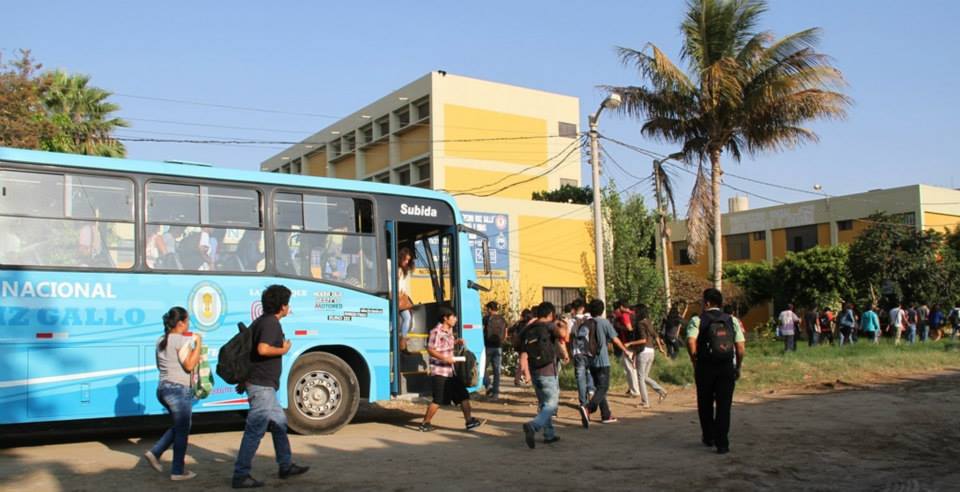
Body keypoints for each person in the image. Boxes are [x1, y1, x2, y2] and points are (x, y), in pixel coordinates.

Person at [232, 285, 309, 489]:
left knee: (280, 423)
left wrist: (244, 380)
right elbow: (262, 349)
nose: (288, 308)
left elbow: (251, 355)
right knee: (255, 430)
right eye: (287, 304)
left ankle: (285, 465)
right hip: (262, 386)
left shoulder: (261, 322)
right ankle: (241, 474)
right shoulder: (270, 324)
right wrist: (283, 349)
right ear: (282, 306)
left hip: (261, 384)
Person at [144, 307, 203, 481]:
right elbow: (189, 366)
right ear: (180, 323)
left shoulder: (161, 340)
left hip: (162, 389)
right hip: (178, 390)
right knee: (182, 431)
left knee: (179, 427)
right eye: (187, 321)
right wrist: (198, 343)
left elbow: (160, 365)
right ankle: (177, 471)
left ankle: (156, 453)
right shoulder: (179, 340)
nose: (189, 324)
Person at [686, 288, 746, 455]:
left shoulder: (698, 320)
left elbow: (691, 341)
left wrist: (694, 360)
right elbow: (740, 347)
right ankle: (723, 443)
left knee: (705, 404)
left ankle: (709, 437)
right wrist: (738, 366)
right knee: (724, 406)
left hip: (705, 367)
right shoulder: (731, 320)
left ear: (706, 303)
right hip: (726, 367)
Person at [418, 306, 485, 433]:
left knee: (463, 395)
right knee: (438, 399)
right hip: (440, 371)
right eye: (453, 317)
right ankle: (425, 423)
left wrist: (456, 342)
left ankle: (469, 421)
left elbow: (444, 346)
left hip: (451, 371)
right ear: (445, 318)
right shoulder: (436, 332)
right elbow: (430, 349)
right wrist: (444, 358)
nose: (455, 319)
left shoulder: (449, 331)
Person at [577, 299, 633, 428]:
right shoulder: (604, 322)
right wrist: (626, 350)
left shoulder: (587, 322)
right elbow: (614, 339)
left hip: (591, 360)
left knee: (599, 388)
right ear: (602, 310)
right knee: (603, 387)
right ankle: (588, 408)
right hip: (602, 360)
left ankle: (606, 415)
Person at [520, 302, 568, 448]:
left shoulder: (528, 328)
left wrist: (525, 371)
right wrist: (560, 324)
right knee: (552, 404)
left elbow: (522, 351)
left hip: (535, 370)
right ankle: (534, 425)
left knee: (543, 403)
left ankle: (549, 434)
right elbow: (564, 335)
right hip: (547, 370)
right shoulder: (549, 325)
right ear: (550, 314)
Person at [625, 304, 667, 408]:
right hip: (651, 351)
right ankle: (661, 391)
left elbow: (643, 340)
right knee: (644, 377)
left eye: (635, 311)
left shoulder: (640, 324)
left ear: (639, 312)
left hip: (643, 352)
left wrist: (630, 343)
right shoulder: (648, 322)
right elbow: (656, 336)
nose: (634, 313)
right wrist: (661, 349)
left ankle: (645, 402)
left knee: (641, 378)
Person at [568, 300, 596, 406]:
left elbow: (569, 336)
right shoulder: (591, 319)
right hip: (591, 351)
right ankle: (591, 390)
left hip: (578, 352)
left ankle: (583, 402)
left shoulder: (571, 321)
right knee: (590, 372)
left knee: (580, 376)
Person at [482, 301, 508, 399]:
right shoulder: (503, 319)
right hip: (499, 347)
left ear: (489, 309)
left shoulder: (486, 319)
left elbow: (481, 331)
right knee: (497, 371)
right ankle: (496, 394)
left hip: (488, 346)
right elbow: (505, 334)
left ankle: (488, 385)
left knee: (482, 368)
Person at [397, 247, 415, 352]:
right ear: (400, 258)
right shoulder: (397, 269)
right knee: (395, 321)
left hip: (401, 297)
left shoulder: (403, 270)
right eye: (405, 259)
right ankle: (402, 340)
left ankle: (403, 339)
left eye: (408, 260)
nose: (407, 262)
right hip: (397, 297)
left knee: (406, 318)